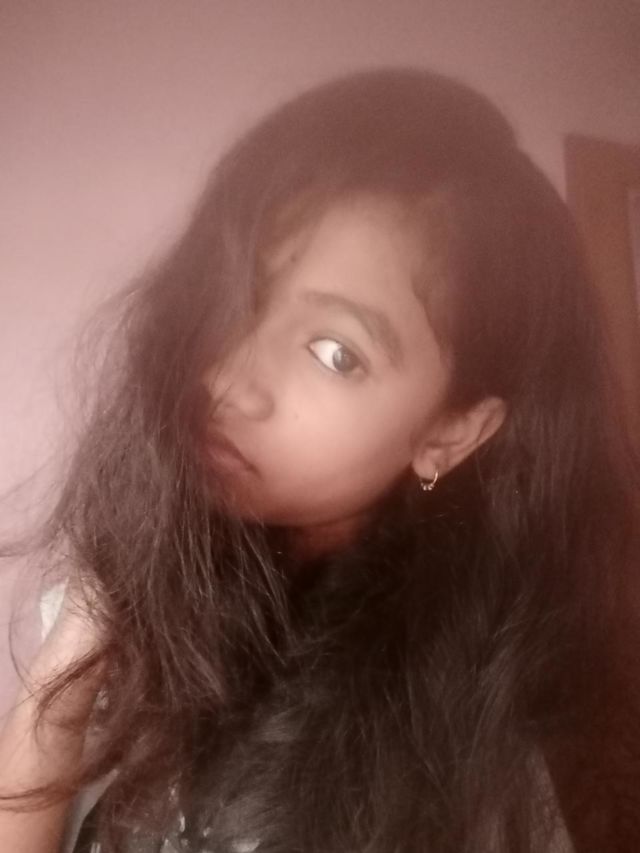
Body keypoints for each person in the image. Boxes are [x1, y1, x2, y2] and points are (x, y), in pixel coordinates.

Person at [0, 67, 638, 853]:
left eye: (336, 352)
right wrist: (84, 632)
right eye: (240, 292)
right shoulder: (145, 571)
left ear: (451, 433)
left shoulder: (469, 748)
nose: (228, 376)